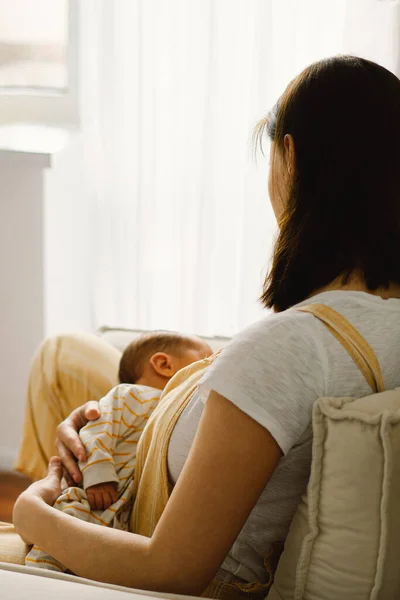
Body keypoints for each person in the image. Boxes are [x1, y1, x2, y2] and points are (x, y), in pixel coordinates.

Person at [10, 56, 400, 599]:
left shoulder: (289, 350)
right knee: (64, 353)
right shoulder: (364, 323)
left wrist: (32, 511)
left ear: (292, 157)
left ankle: (50, 493)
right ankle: (77, 457)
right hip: (155, 433)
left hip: (134, 524)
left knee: (55, 367)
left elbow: (169, 570)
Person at [24, 331, 212, 572]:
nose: (211, 366)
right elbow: (95, 431)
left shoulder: (180, 406)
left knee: (100, 552)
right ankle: (37, 579)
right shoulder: (128, 395)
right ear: (164, 364)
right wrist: (98, 477)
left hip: (128, 505)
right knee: (58, 543)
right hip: (98, 494)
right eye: (206, 359)